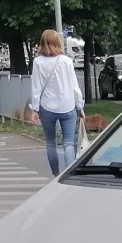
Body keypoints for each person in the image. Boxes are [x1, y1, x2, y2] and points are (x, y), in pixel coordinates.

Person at [28, 29, 86, 175]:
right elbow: (74, 86)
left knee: (50, 142)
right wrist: (80, 107)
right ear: (57, 42)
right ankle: (69, 175)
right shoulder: (66, 61)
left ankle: (55, 175)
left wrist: (35, 109)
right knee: (68, 143)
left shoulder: (38, 62)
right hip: (68, 106)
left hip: (47, 108)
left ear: (42, 43)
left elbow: (36, 87)